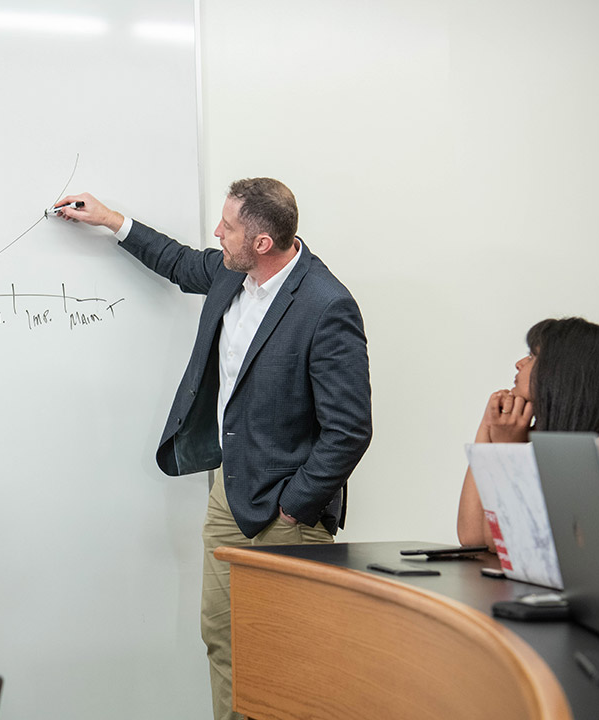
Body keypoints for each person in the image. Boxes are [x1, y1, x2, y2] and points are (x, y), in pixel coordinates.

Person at [54, 179, 372, 720]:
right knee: (223, 636)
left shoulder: (326, 306)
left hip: (288, 510)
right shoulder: (233, 273)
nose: (217, 234)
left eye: (228, 227)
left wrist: (295, 506)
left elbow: (350, 429)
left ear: (263, 243)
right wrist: (111, 220)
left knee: (285, 656)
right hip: (230, 493)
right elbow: (178, 262)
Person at [458, 317, 599, 546]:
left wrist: (505, 450)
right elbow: (472, 537)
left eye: (532, 356)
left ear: (564, 372)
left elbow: (506, 542)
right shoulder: (578, 447)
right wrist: (489, 425)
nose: (519, 363)